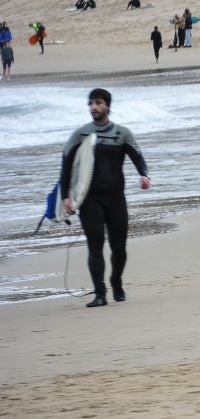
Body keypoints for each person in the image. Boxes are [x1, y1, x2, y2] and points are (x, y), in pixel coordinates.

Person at [60, 88, 152, 308]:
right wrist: (66, 197)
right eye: (90, 103)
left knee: (119, 247)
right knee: (95, 245)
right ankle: (100, 293)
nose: (94, 107)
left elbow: (137, 156)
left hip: (115, 198)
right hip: (90, 199)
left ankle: (116, 281)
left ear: (108, 105)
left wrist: (144, 175)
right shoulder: (81, 134)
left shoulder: (122, 133)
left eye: (98, 103)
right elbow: (66, 164)